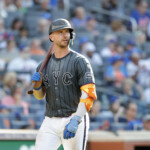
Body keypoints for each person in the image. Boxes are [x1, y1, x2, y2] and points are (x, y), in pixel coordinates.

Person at [31, 18, 97, 150]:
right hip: (50, 120)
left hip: (73, 116)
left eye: (67, 32)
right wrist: (37, 86)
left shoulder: (80, 61)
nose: (65, 35)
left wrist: (77, 118)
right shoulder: (42, 66)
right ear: (51, 37)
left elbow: (88, 94)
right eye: (60, 32)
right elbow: (39, 96)